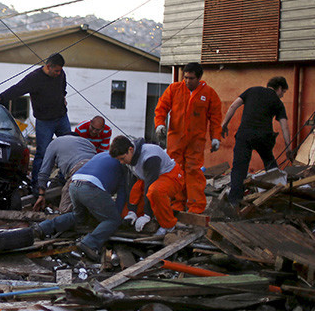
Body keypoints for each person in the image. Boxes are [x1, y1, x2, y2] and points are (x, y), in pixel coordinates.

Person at [0, 53, 70, 190]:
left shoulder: (61, 74)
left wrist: (63, 97)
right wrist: (1, 98)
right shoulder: (34, 78)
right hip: (45, 121)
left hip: (61, 117)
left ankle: (63, 179)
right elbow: (17, 89)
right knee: (42, 152)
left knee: (68, 147)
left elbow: (62, 87)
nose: (59, 73)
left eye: (60, 70)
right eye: (56, 70)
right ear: (48, 66)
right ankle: (37, 184)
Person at [32, 152, 128, 261]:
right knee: (112, 220)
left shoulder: (102, 155)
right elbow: (122, 195)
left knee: (79, 216)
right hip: (91, 186)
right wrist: (118, 216)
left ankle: (43, 228)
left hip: (74, 184)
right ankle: (90, 243)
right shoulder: (124, 163)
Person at [154, 62, 221, 214]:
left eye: (191, 78)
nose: (187, 81)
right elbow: (162, 108)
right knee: (175, 170)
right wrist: (159, 124)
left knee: (194, 172)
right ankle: (176, 204)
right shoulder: (174, 89)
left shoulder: (209, 94)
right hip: (175, 139)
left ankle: (196, 207)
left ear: (199, 78)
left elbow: (216, 118)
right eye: (185, 77)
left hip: (195, 141)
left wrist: (216, 137)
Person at [221, 76, 295, 208]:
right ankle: (276, 196)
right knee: (270, 165)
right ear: (279, 88)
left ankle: (234, 202)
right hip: (264, 137)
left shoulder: (251, 91)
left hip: (244, 135)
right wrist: (288, 147)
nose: (282, 96)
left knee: (239, 169)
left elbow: (233, 106)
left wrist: (224, 124)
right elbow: (284, 125)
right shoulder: (277, 102)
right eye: (283, 92)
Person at [110, 135, 184, 235]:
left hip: (171, 176)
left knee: (155, 191)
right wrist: (132, 211)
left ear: (130, 149)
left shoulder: (150, 157)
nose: (122, 162)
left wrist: (147, 215)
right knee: (125, 213)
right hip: (149, 179)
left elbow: (150, 185)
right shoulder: (129, 156)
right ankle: (139, 215)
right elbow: (131, 185)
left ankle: (168, 225)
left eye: (122, 158)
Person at [32, 134, 97, 212]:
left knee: (64, 209)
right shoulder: (87, 143)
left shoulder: (54, 144)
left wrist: (41, 195)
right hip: (97, 170)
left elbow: (44, 172)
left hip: (78, 170)